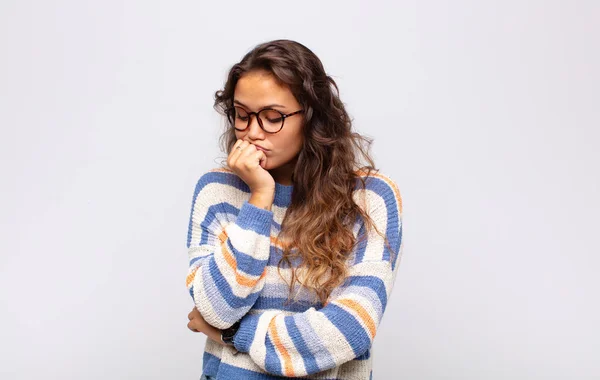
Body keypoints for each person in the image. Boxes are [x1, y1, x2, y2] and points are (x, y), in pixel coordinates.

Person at [185, 39, 403, 380]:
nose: (252, 132)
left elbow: (348, 332)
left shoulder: (370, 198)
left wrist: (232, 335)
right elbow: (216, 309)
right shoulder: (218, 190)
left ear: (313, 116)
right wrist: (260, 198)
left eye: (273, 117)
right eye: (241, 115)